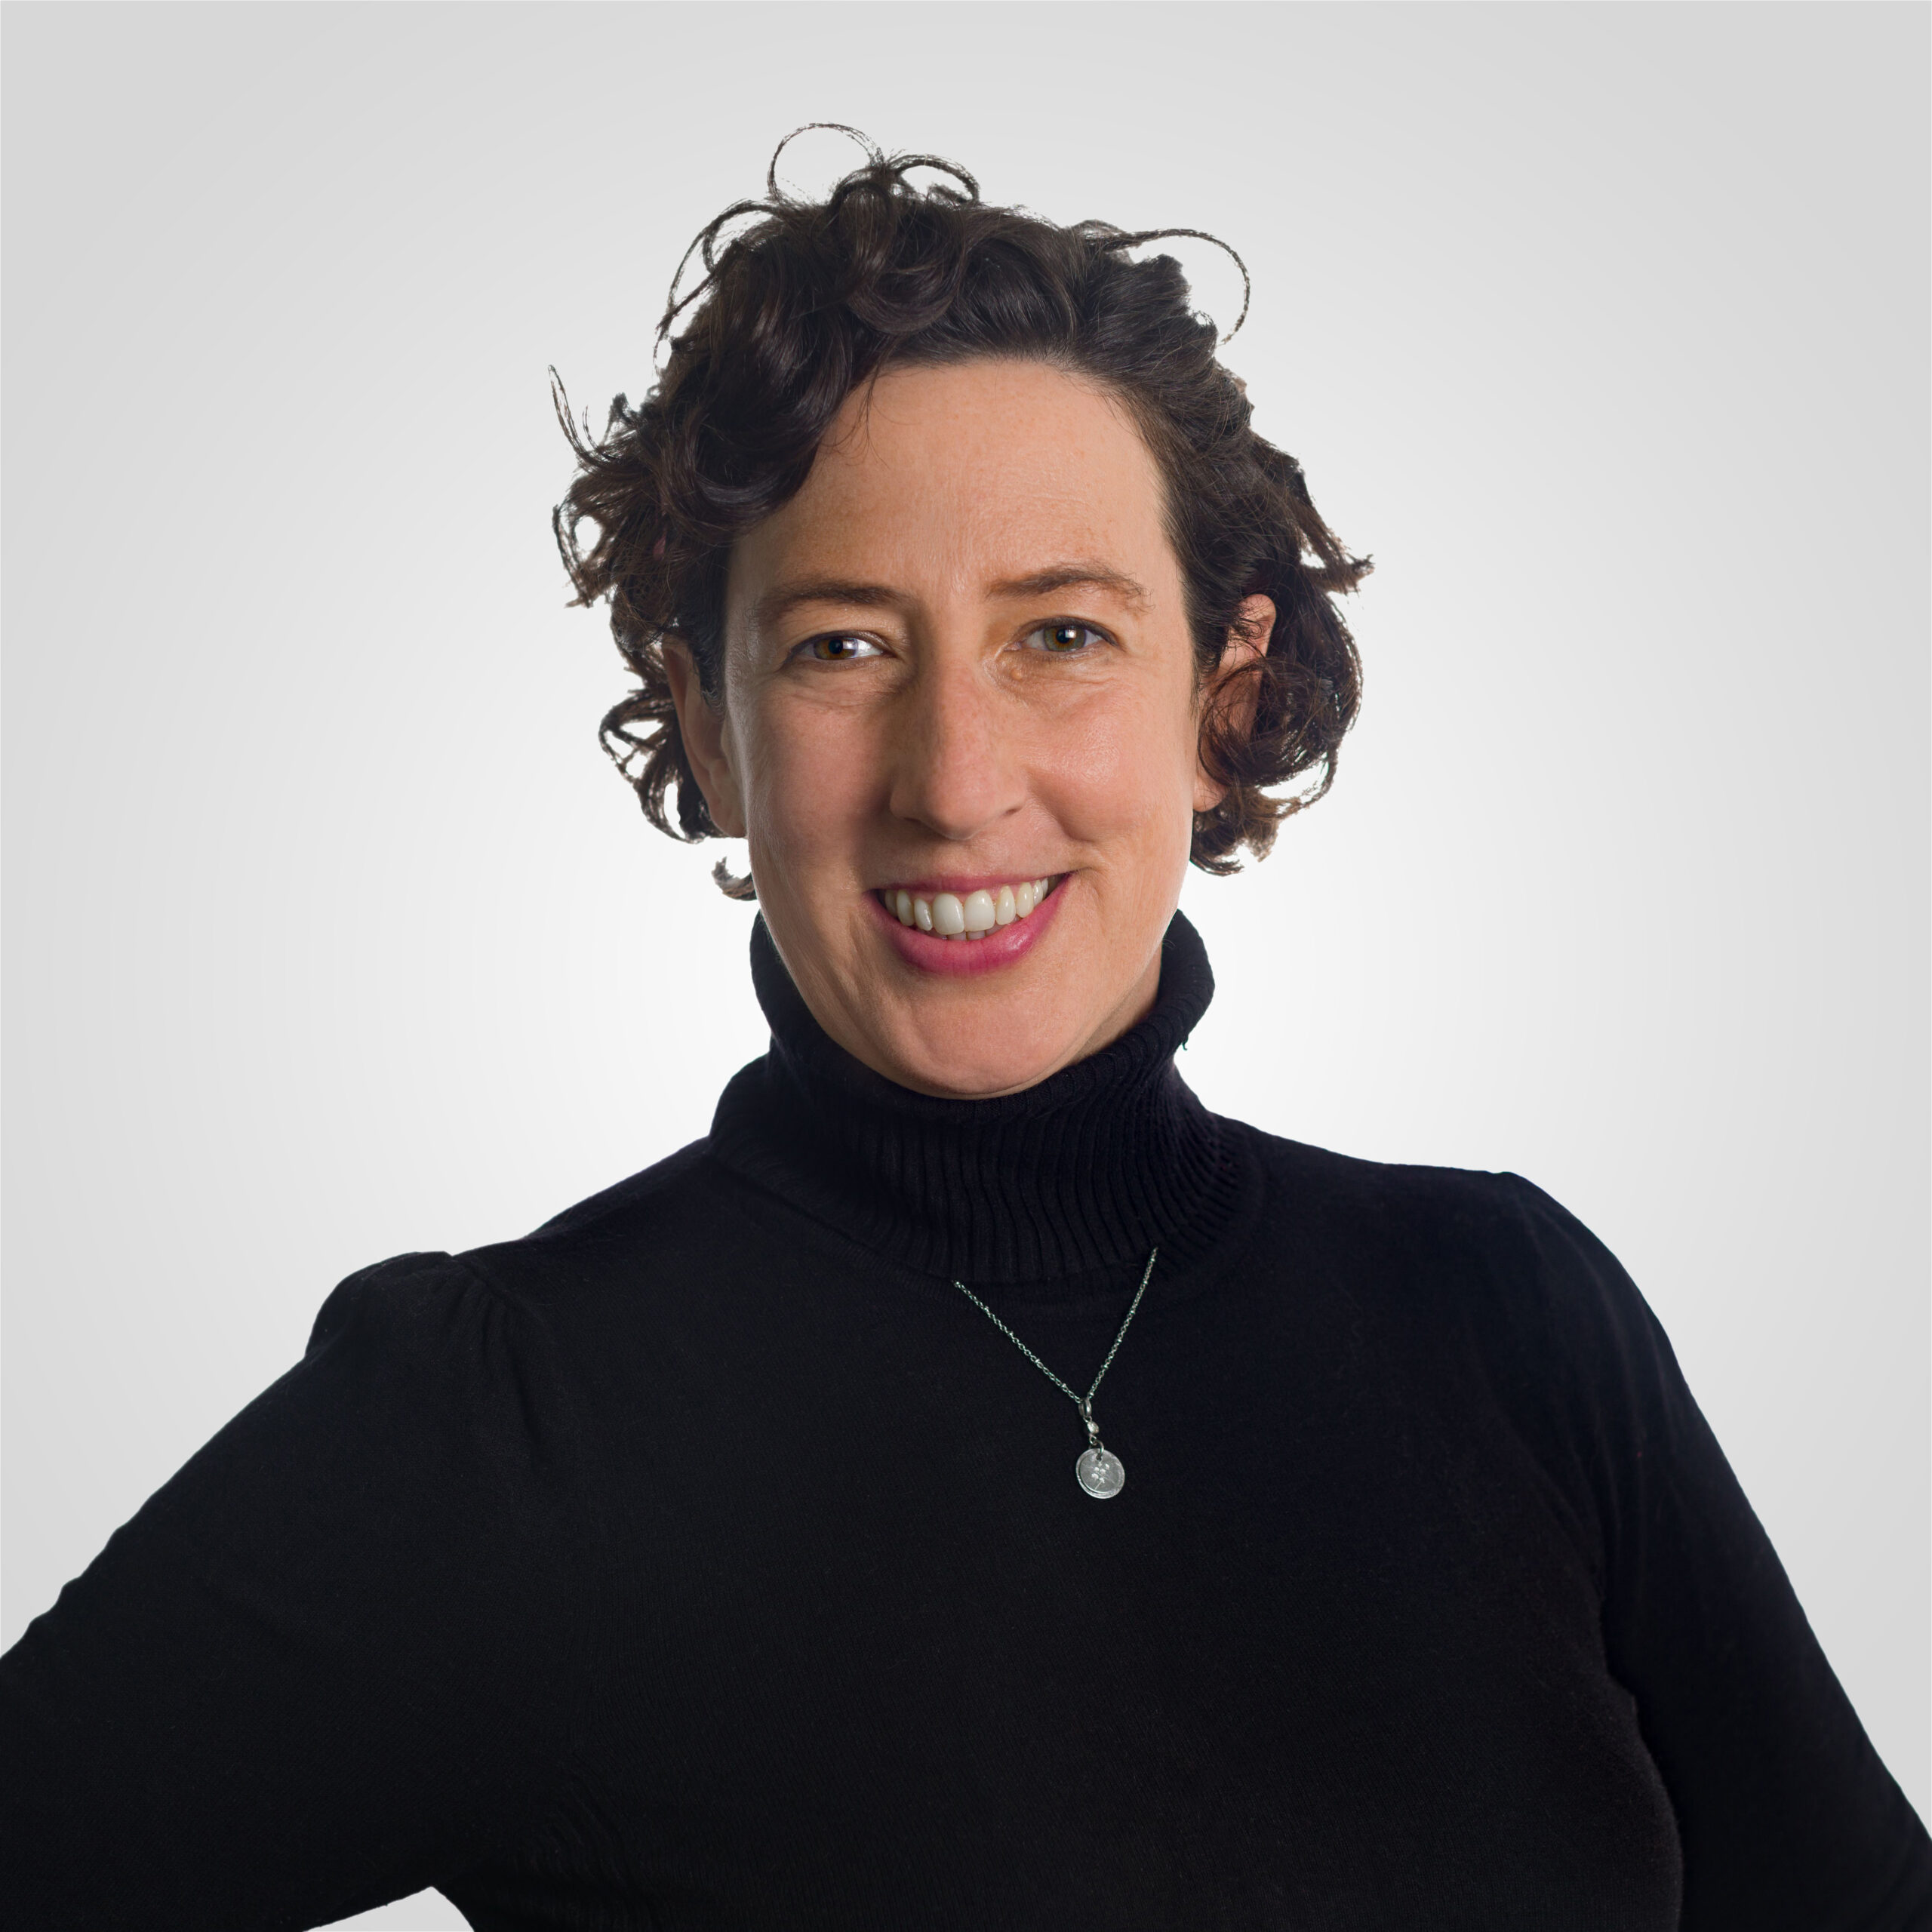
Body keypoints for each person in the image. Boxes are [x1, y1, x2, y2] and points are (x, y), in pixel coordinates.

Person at [2, 128, 1926, 1931]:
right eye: (842, 644)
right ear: (706, 721)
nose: (953, 779)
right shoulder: (496, 1422)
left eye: (1060, 633)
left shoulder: (1507, 1310)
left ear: (1216, 687)